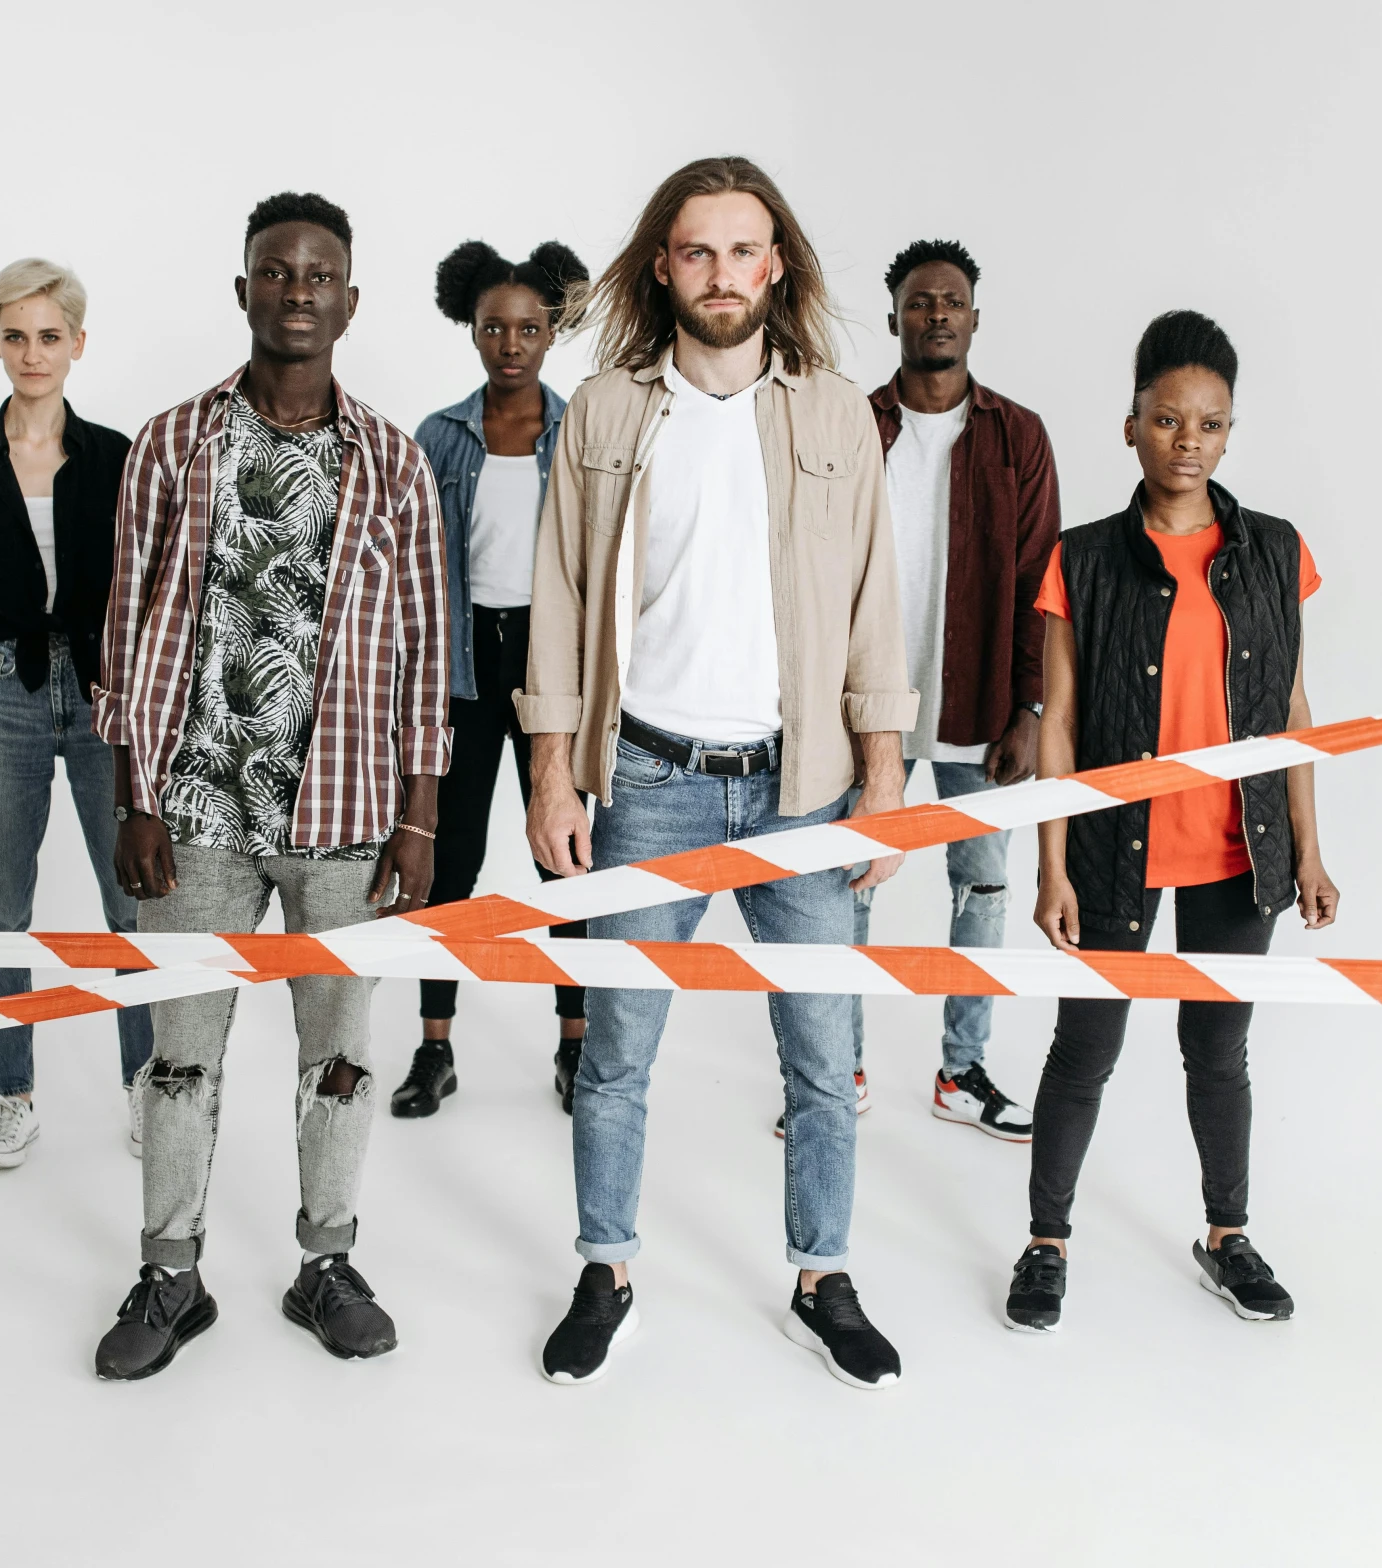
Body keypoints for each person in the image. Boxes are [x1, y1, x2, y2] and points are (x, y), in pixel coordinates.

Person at [520, 156, 917, 1390]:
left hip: (801, 787)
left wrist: (884, 765)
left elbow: (871, 596)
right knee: (616, 1053)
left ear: (777, 264)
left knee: (821, 1051)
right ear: (664, 266)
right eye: (699, 252)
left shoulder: (839, 413)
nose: (723, 274)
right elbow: (560, 590)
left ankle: (823, 1275)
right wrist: (549, 764)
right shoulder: (603, 410)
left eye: (745, 251)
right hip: (648, 778)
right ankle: (607, 1266)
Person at [87, 193, 451, 1380]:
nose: (297, 290)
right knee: (181, 1052)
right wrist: (133, 792)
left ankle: (326, 1262)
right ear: (242, 290)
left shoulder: (393, 461)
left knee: (339, 1055)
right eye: (275, 272)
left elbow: (426, 647)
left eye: (319, 274)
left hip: (346, 818)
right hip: (194, 812)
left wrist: (419, 812)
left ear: (350, 299)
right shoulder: (172, 442)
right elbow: (130, 625)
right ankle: (170, 1272)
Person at [1007, 310, 1339, 1335]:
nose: (1187, 439)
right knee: (1084, 1048)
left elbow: (1289, 708)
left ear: (1230, 433)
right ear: (1131, 425)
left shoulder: (1277, 553)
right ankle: (1047, 1240)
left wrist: (1312, 851)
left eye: (1209, 422)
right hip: (1114, 853)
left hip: (1241, 853)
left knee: (1219, 1052)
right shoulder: (1085, 559)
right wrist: (1050, 865)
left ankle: (1227, 1236)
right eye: (1166, 418)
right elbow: (1057, 721)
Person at [0, 258, 154, 1171]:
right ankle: (13, 1096)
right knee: (0, 910)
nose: (32, 353)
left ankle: (146, 1084)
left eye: (49, 336)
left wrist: (146, 714)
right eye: (15, 335)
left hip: (101, 696)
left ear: (78, 345)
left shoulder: (116, 457)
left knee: (131, 903)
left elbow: (144, 594)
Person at [829, 238, 1060, 1143]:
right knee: (846, 887)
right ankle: (834, 1069)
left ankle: (961, 1072)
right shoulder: (853, 422)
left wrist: (1031, 707)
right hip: (866, 708)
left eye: (951, 301)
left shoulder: (1017, 434)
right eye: (919, 301)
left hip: (980, 707)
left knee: (984, 888)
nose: (935, 315)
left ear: (973, 317)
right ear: (893, 317)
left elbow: (1041, 576)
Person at [390, 240, 593, 1121]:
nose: (510, 343)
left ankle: (577, 1042)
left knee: (570, 865)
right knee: (451, 864)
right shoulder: (438, 436)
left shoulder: (578, 429)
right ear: (471, 333)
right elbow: (406, 565)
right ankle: (435, 1047)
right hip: (464, 667)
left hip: (553, 669)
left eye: (528, 328)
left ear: (553, 333)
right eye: (493, 329)